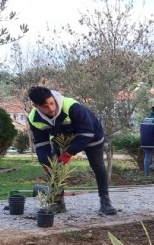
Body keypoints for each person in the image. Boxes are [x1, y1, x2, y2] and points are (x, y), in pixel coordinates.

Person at [27, 86, 117, 215]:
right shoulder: (34, 118)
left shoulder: (71, 106)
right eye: (45, 106)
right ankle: (58, 203)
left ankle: (105, 201)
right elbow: (41, 144)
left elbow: (86, 133)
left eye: (52, 103)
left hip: (91, 135)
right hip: (63, 139)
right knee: (55, 169)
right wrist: (45, 163)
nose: (51, 108)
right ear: (36, 106)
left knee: (97, 166)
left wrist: (69, 153)